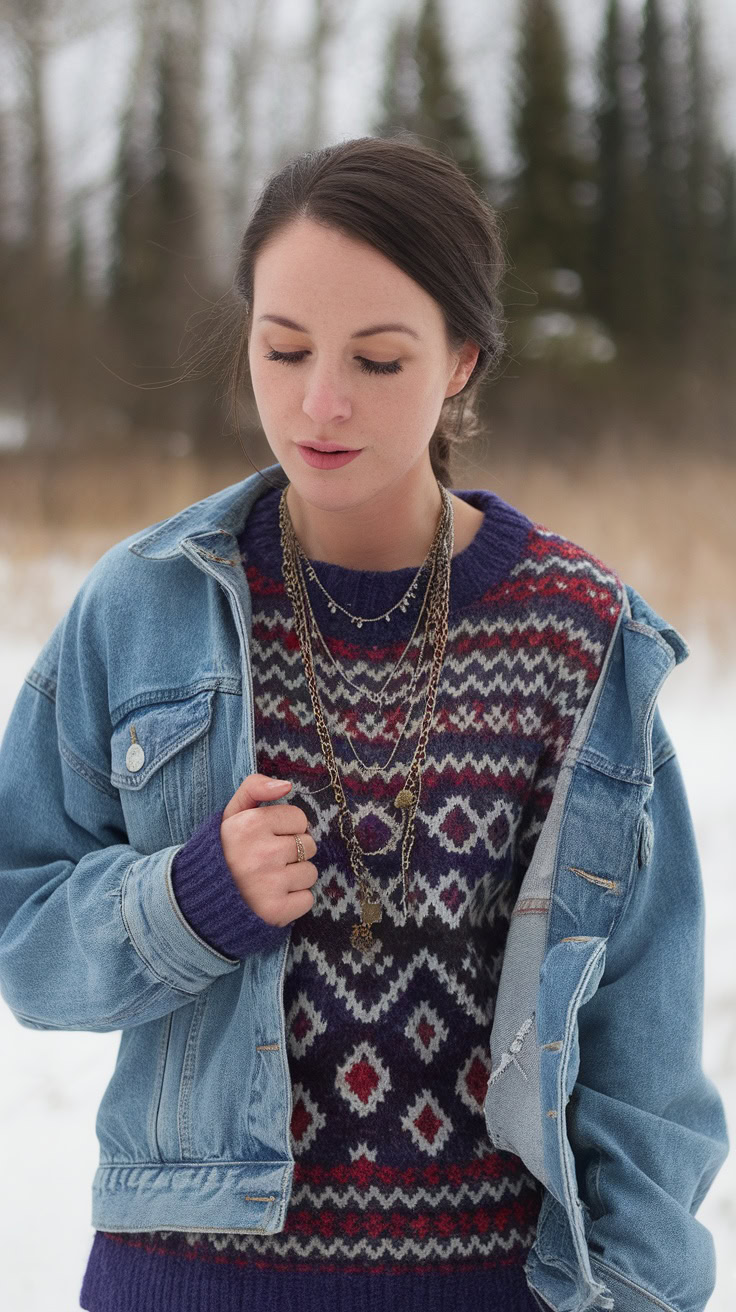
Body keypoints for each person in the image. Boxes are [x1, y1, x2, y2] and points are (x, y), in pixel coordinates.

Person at [0, 136, 728, 1312]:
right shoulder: (141, 610)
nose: (317, 402)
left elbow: (644, 1052)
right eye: (282, 349)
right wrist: (185, 898)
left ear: (460, 361)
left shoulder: (577, 635)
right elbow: (22, 936)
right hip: (188, 1282)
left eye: (377, 360)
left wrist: (637, 1295)